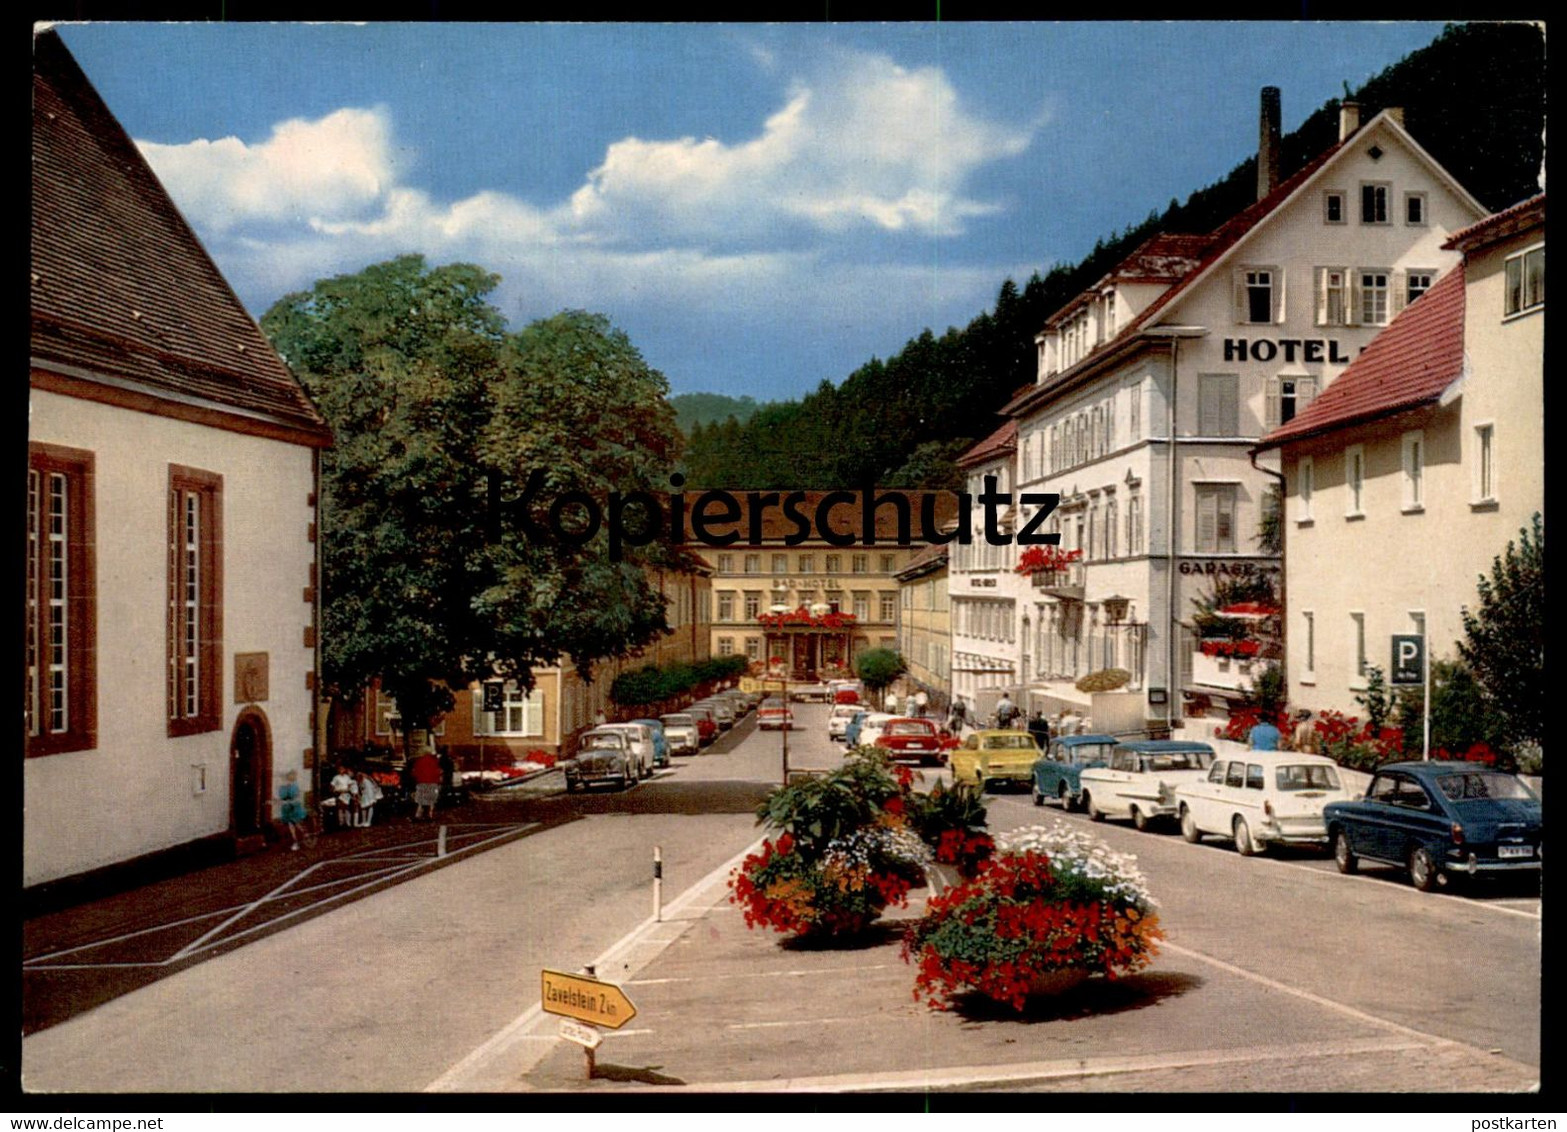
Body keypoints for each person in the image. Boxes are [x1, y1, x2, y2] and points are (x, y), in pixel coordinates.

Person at [277, 770, 309, 850]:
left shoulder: (295, 786)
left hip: (295, 807)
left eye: (292, 776)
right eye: (289, 776)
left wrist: (292, 801)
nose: (290, 778)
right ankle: (295, 841)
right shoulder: (284, 786)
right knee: (290, 824)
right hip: (287, 807)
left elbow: (297, 797)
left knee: (296, 823)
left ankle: (304, 833)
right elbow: (281, 796)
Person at [409, 748, 442, 821]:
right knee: (431, 800)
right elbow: (438, 772)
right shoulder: (434, 761)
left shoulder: (419, 761)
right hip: (433, 782)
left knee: (421, 800)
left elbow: (414, 773)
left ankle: (418, 815)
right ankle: (430, 815)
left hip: (421, 782)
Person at [330, 764, 358, 831]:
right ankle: (341, 823)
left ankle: (348, 823)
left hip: (346, 794)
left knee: (346, 808)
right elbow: (332, 785)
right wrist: (336, 790)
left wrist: (348, 790)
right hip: (339, 793)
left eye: (342, 769)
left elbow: (349, 785)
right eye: (340, 769)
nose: (341, 770)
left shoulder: (347, 777)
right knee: (340, 808)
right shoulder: (336, 777)